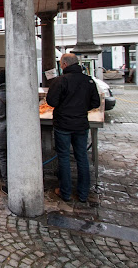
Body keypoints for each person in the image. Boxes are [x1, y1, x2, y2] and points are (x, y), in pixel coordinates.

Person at [47, 53, 100, 203]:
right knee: (82, 157)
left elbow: (51, 101)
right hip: (81, 124)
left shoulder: (61, 81)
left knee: (63, 158)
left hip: (63, 124)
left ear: (64, 64)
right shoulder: (88, 80)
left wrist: (65, 106)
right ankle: (83, 194)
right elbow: (95, 103)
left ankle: (65, 192)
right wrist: (81, 108)